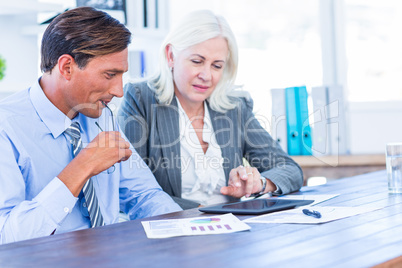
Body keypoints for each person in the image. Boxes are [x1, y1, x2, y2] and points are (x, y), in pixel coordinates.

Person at [0, 7, 181, 245]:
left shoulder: (100, 114)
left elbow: (143, 195)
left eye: (122, 75)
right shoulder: (7, 128)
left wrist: (186, 230)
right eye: (109, 75)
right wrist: (82, 166)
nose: (119, 91)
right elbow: (7, 237)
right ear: (66, 67)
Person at [118, 10, 303, 210]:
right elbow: (129, 188)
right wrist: (204, 212)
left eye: (217, 66)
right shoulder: (140, 98)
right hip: (171, 228)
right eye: (197, 61)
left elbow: (289, 169)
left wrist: (260, 183)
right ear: (171, 56)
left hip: (231, 229)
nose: (206, 75)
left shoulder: (234, 107)